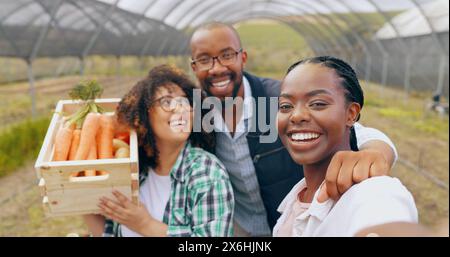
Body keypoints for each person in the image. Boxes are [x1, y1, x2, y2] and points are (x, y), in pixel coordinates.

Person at [189, 22, 399, 236]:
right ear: (194, 67)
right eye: (204, 59)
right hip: (242, 230)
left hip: (296, 225)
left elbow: (358, 131)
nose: (217, 68)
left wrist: (374, 154)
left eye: (227, 55)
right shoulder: (196, 114)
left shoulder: (276, 100)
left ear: (242, 58)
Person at [273, 56, 417, 236]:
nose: (296, 116)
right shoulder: (297, 200)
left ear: (351, 114)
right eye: (285, 106)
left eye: (318, 104)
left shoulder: (375, 194)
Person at [83, 65, 234, 237]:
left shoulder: (206, 172)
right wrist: (78, 193)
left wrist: (145, 225)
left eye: (186, 101)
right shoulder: (135, 172)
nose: (181, 109)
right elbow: (110, 233)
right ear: (144, 115)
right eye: (167, 102)